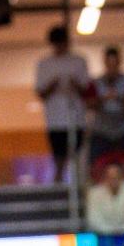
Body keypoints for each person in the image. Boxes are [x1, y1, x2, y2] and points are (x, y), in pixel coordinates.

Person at [35, 27, 90, 182]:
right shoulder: (44, 64)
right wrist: (53, 84)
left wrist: (74, 84)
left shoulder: (79, 61)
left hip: (76, 117)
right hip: (55, 119)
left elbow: (86, 89)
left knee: (78, 153)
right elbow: (40, 92)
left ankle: (80, 183)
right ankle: (58, 181)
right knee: (58, 154)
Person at [89, 47, 124, 161]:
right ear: (105, 63)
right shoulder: (96, 82)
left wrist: (119, 97)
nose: (112, 67)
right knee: (96, 166)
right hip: (101, 131)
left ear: (119, 62)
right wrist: (103, 99)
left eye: (114, 63)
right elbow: (89, 104)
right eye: (109, 63)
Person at [87, 163, 124, 237]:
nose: (113, 180)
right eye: (110, 177)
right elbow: (94, 219)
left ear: (122, 177)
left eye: (116, 177)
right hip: (103, 236)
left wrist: (122, 230)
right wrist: (111, 231)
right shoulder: (94, 193)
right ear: (105, 178)